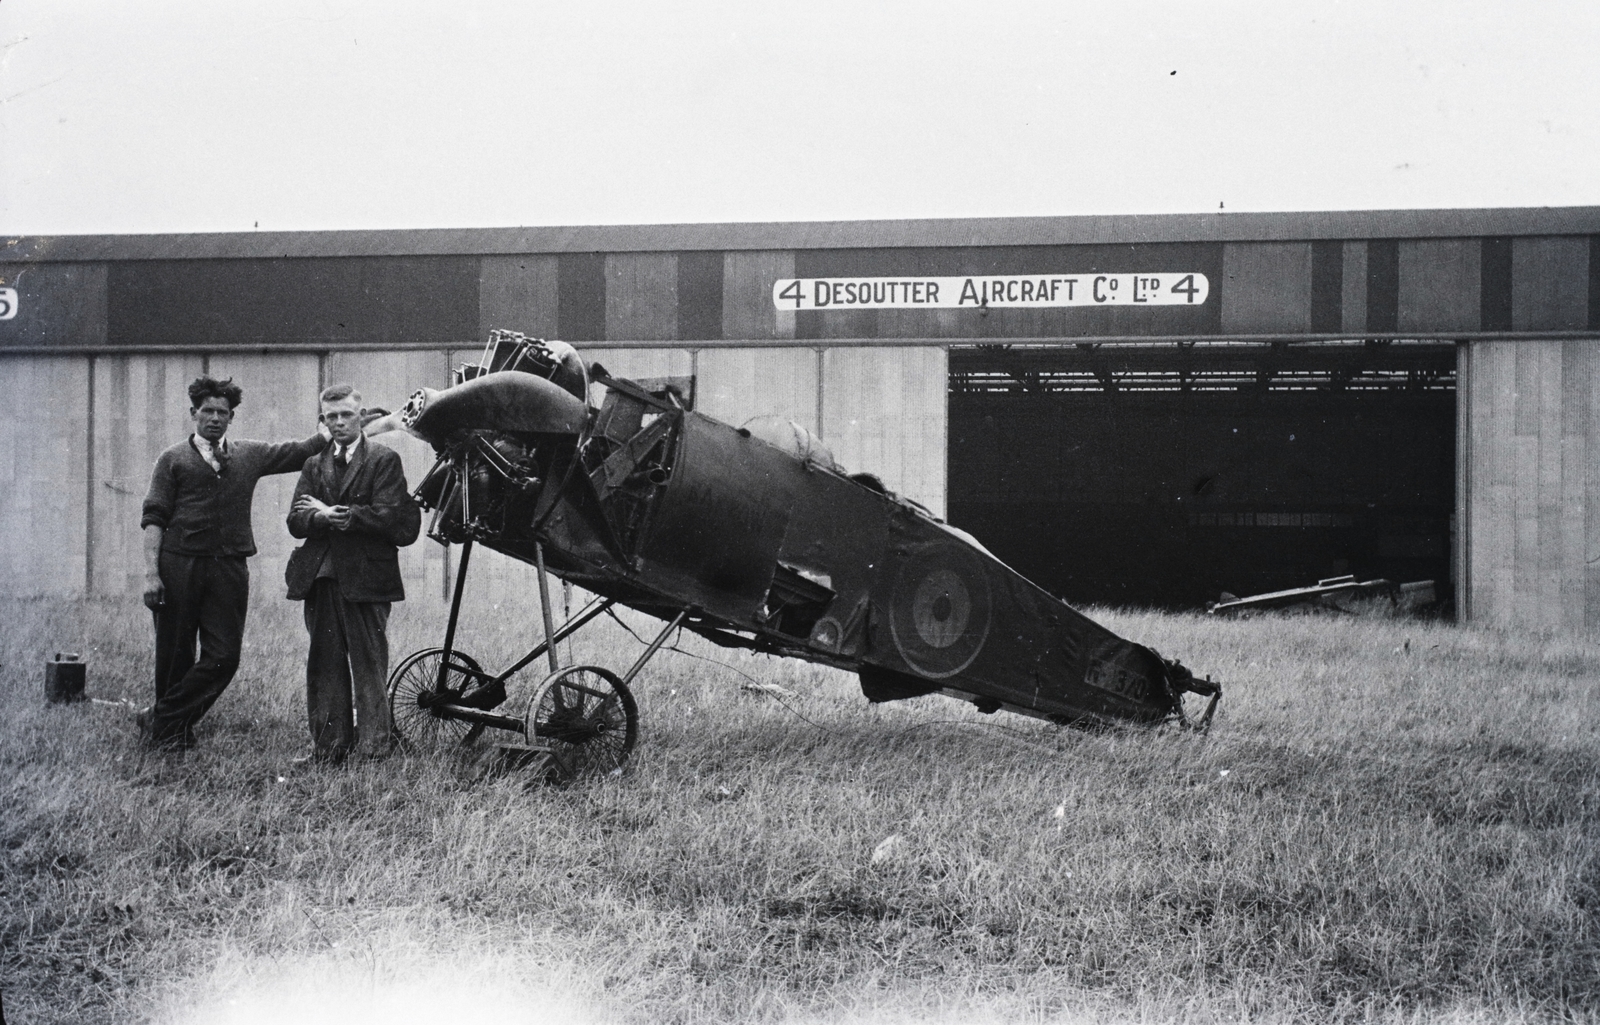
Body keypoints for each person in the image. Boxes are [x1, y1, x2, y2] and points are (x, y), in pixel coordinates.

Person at [139, 376, 328, 750]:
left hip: (228, 567)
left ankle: (159, 719)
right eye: (206, 411)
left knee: (225, 656)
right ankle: (173, 733)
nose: (214, 418)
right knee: (174, 654)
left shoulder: (249, 454)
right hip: (179, 565)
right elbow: (153, 518)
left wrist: (340, 428)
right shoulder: (172, 458)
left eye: (221, 412)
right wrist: (151, 574)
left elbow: (300, 451)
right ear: (193, 414)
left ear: (232, 418)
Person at [285, 383, 421, 764]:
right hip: (321, 576)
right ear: (322, 421)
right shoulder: (314, 464)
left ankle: (374, 750)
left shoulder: (383, 459)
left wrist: (332, 514)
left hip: (367, 578)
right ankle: (329, 750)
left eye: (347, 414)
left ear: (361, 417)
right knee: (324, 665)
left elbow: (390, 514)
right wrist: (317, 516)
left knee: (368, 665)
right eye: (332, 417)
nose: (340, 422)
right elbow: (295, 520)